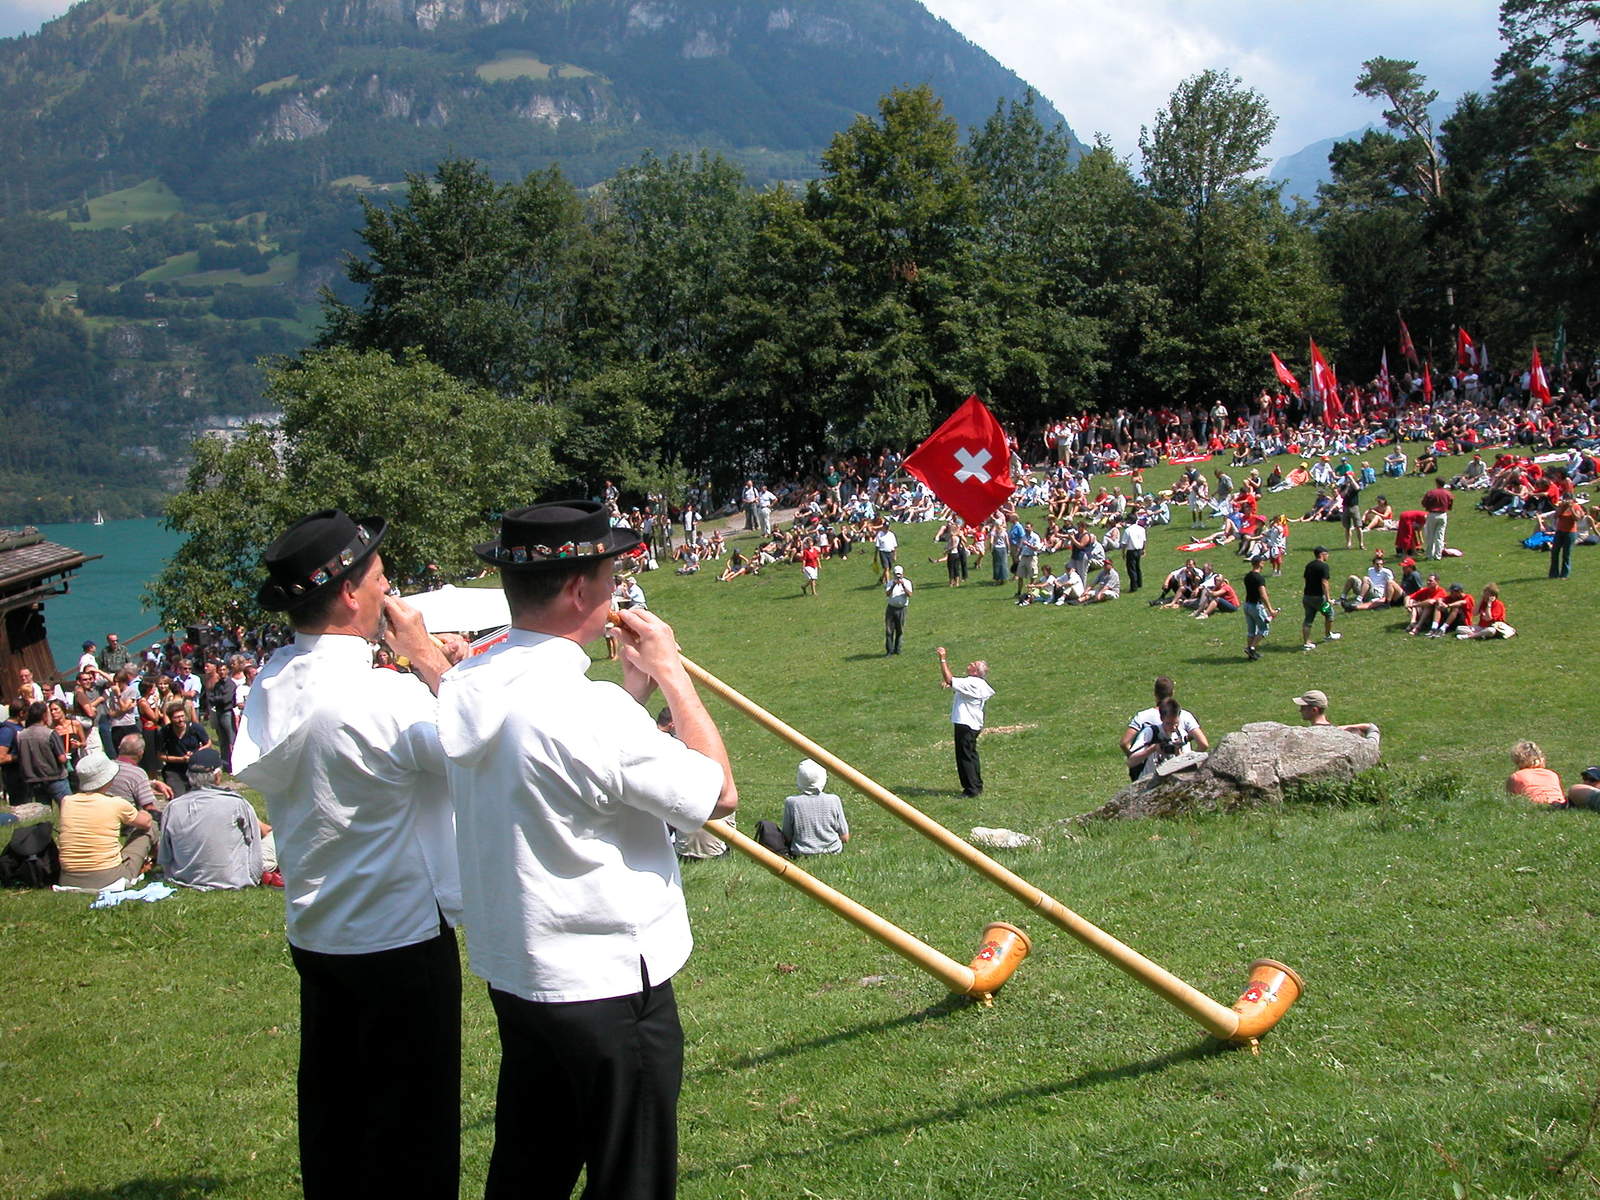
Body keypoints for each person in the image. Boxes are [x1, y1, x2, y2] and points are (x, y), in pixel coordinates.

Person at [437, 500, 736, 1200]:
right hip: (609, 982)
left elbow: (574, 771)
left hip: (523, 972)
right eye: (612, 578)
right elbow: (718, 794)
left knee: (529, 1165)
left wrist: (627, 690)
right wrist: (672, 674)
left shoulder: (470, 679)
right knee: (630, 1174)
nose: (617, 594)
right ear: (579, 591)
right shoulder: (586, 709)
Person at [233, 509, 462, 1200]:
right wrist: (429, 662)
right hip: (399, 938)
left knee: (338, 1119)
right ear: (350, 595)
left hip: (319, 929)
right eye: (383, 578)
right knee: (415, 1134)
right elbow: (480, 755)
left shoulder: (272, 681)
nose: (392, 591)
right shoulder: (383, 696)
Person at [158, 747, 276, 889]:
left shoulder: (172, 807)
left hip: (184, 878)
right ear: (217, 775)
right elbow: (254, 846)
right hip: (234, 879)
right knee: (276, 835)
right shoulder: (236, 803)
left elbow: (165, 856)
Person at [56, 749, 156, 890]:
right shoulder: (116, 803)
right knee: (152, 827)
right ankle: (155, 864)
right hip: (107, 878)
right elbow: (145, 823)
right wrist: (146, 812)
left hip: (68, 878)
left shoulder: (67, 801)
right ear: (108, 779)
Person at [1121, 677, 1209, 780]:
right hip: (1149, 782)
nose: (1173, 727)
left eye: (1176, 723)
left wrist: (1179, 753)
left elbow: (1188, 764)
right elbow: (1130, 762)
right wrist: (1152, 749)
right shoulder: (1150, 732)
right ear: (1161, 718)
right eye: (1169, 723)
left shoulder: (1182, 735)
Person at [937, 647, 993, 798]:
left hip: (965, 723)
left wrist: (942, 659)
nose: (969, 664)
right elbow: (957, 686)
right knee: (971, 755)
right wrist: (950, 685)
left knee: (964, 757)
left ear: (976, 671)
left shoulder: (972, 682)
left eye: (973, 664)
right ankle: (977, 785)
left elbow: (950, 679)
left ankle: (970, 789)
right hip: (974, 724)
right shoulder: (979, 684)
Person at [782, 758, 851, 855]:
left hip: (801, 852)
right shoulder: (834, 800)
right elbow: (845, 837)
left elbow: (787, 836)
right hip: (833, 851)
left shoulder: (791, 802)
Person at [16, 701, 69, 805]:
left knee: (45, 814)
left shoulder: (21, 735)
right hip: (55, 778)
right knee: (68, 809)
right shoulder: (50, 733)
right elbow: (62, 758)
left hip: (34, 780)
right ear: (44, 715)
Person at [1292, 689, 1379, 739]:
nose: (1300, 711)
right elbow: (1371, 727)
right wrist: (1341, 728)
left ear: (1314, 710)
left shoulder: (1310, 735)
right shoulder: (1337, 732)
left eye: (1303, 708)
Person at [1300, 545, 1341, 652]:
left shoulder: (1309, 565)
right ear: (1322, 554)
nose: (1328, 555)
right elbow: (1324, 582)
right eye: (1327, 554)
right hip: (1319, 599)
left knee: (1308, 620)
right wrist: (1328, 598)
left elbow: (1305, 578)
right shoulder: (1324, 566)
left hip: (1307, 597)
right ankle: (1328, 635)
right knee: (1329, 614)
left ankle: (1306, 643)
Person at [1504, 741, 1564, 807]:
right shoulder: (1552, 774)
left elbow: (1510, 800)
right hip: (1559, 804)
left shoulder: (1515, 777)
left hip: (1536, 805)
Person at [1241, 563, 1279, 661]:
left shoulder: (1247, 576)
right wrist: (1270, 610)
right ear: (1260, 564)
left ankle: (1250, 655)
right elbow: (1263, 595)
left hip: (1247, 605)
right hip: (1256, 607)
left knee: (1251, 631)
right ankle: (1251, 648)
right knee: (1264, 629)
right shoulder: (1259, 578)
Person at [884, 565, 913, 655]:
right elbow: (888, 594)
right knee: (889, 630)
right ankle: (889, 651)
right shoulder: (890, 583)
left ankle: (898, 649)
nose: (898, 576)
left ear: (903, 574)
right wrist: (893, 585)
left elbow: (910, 594)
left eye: (899, 575)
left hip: (901, 609)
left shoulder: (907, 582)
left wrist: (903, 586)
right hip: (891, 609)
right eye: (896, 575)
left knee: (899, 630)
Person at [1422, 476, 1453, 560]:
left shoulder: (1431, 492)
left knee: (1430, 536)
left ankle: (1429, 555)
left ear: (1437, 483)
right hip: (1443, 514)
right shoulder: (1448, 493)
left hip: (1432, 514)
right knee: (1440, 536)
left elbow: (1424, 503)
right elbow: (1450, 504)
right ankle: (1438, 555)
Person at [1122, 517, 1146, 591]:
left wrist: (1123, 552)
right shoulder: (1141, 529)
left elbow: (1124, 543)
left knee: (1131, 569)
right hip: (1139, 550)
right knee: (1137, 567)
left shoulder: (1128, 530)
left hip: (1131, 551)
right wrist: (1143, 549)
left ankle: (1133, 586)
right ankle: (1139, 583)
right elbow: (1144, 540)